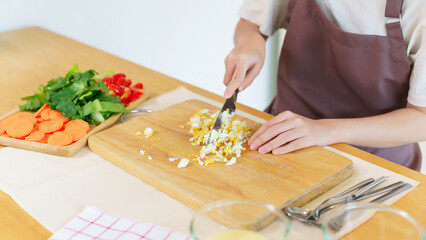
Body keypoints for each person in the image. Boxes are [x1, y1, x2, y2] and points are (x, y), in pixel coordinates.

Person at [223, 0, 426, 171]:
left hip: (374, 169)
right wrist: (251, 41)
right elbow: (251, 23)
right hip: (281, 142)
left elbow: (422, 117)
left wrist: (325, 130)